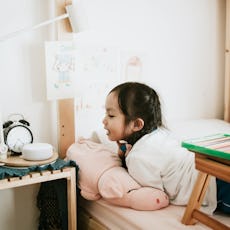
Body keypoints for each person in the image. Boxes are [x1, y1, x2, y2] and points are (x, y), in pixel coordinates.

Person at [102, 81, 230, 215]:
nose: (104, 121)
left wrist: (126, 161)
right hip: (215, 165)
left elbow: (154, 194)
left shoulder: (137, 157)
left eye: (111, 116)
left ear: (137, 124)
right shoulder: (160, 134)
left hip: (212, 187)